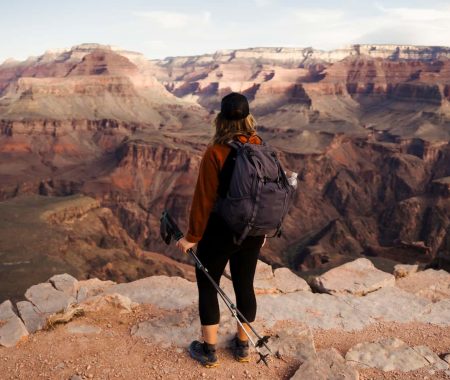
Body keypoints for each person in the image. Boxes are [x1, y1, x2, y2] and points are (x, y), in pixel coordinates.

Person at [176, 92, 267, 368]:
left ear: (220, 120)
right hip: (251, 231)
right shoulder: (260, 147)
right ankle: (242, 346)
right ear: (249, 118)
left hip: (220, 233)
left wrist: (192, 237)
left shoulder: (215, 152)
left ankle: (209, 350)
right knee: (245, 285)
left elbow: (203, 200)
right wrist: (261, 232)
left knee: (208, 285)